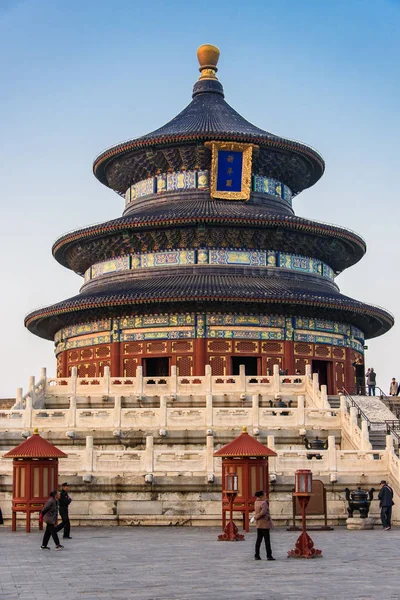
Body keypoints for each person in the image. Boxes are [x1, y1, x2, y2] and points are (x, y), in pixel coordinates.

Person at [254, 490, 275, 561]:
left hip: (259, 524)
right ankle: (269, 555)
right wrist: (256, 517)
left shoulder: (256, 502)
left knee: (258, 540)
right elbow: (263, 513)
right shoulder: (264, 503)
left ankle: (257, 555)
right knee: (267, 540)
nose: (266, 496)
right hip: (265, 523)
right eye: (264, 495)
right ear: (261, 496)